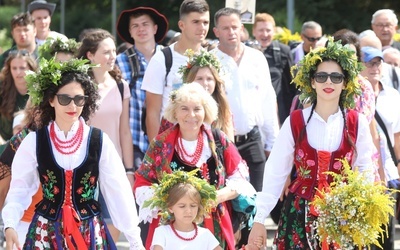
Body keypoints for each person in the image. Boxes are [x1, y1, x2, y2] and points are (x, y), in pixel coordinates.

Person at [2, 58, 144, 249]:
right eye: (64, 99)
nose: (72, 106)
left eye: (79, 99)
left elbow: (118, 191)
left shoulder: (98, 141)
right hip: (46, 233)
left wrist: (135, 241)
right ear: (51, 100)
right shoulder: (34, 141)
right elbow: (20, 189)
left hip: (88, 231)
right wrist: (10, 223)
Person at [248, 38, 375, 249]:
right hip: (298, 213)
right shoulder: (296, 121)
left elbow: (365, 169)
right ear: (312, 82)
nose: (328, 82)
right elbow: (275, 173)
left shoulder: (356, 121)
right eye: (321, 76)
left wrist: (362, 208)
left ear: (345, 83)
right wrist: (260, 219)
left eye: (336, 77)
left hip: (342, 214)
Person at [134, 83, 256, 250]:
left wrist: (218, 196)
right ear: (175, 112)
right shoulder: (161, 144)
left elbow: (241, 177)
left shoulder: (218, 139)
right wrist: (169, 200)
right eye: (184, 108)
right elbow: (143, 181)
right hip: (173, 229)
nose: (191, 115)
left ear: (205, 111)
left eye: (197, 109)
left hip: (214, 226)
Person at [77, 28, 134, 243]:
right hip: (82, 165)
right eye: (106, 52)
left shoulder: (121, 86)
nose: (113, 57)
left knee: (112, 224)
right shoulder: (78, 87)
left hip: (112, 165)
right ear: (90, 55)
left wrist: (128, 170)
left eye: (113, 51)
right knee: (84, 225)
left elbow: (124, 131)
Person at [141, 0, 210, 142]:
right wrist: (157, 151)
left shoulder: (210, 59)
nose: (202, 27)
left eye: (205, 22)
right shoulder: (162, 59)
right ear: (181, 25)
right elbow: (152, 112)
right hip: (171, 142)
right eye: (196, 22)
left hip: (204, 143)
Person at [360, 46, 400, 250]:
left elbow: (398, 136)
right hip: (362, 173)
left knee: (386, 235)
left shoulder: (392, 95)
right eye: (369, 63)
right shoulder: (351, 95)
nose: (374, 67)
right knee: (363, 235)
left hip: (389, 173)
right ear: (359, 66)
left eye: (378, 63)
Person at [179, 49, 234, 141]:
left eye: (209, 79)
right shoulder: (177, 106)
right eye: (199, 78)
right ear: (190, 81)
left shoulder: (224, 109)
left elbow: (231, 147)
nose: (205, 83)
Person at [252, 12, 296, 125]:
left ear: (274, 31)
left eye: (268, 30)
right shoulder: (245, 52)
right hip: (253, 112)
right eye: (261, 30)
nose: (265, 34)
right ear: (254, 32)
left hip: (278, 113)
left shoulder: (283, 52)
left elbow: (292, 85)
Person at [0, 50, 37, 152]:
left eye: (22, 68)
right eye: (14, 68)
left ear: (31, 68)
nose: (18, 72)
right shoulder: (2, 90)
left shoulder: (40, 90)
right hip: (6, 144)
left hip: (34, 142)